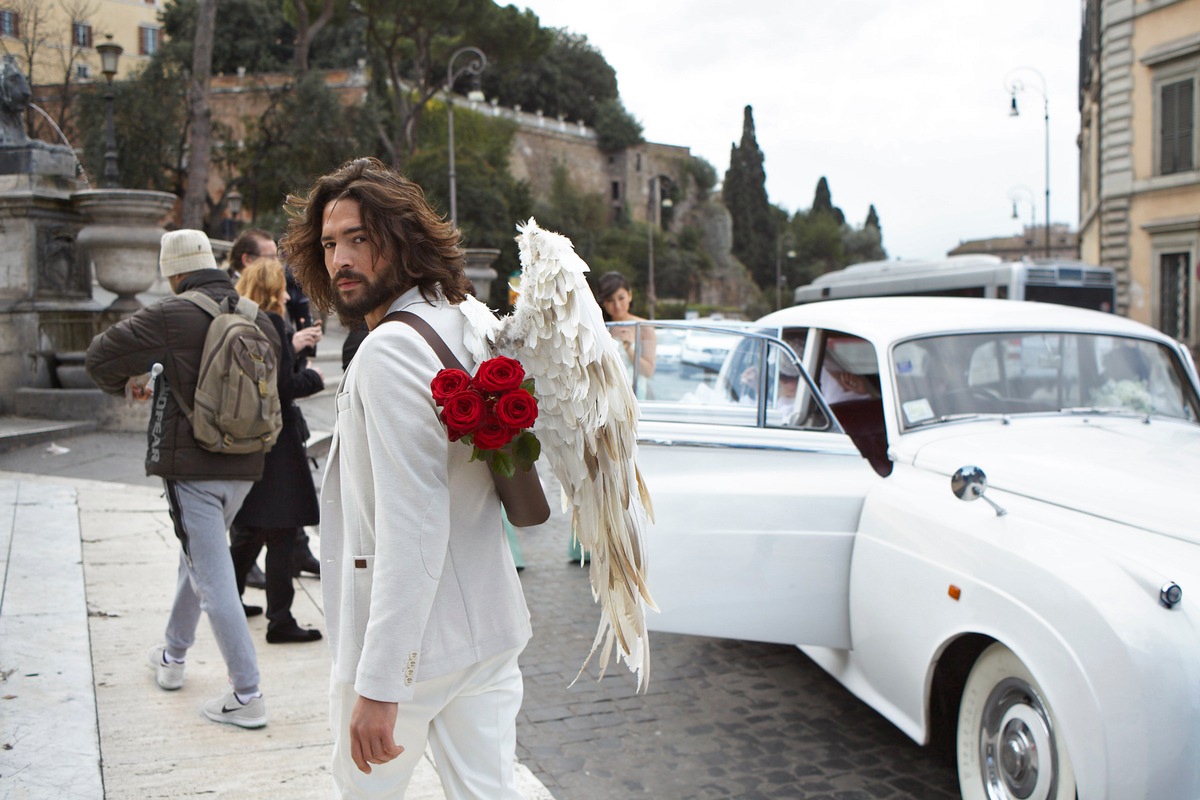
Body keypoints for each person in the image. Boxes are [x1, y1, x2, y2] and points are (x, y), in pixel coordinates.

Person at [282, 157, 532, 797]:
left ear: (402, 238)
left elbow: (413, 523)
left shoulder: (390, 348)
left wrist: (381, 684)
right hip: (489, 627)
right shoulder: (464, 316)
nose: (341, 258)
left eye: (360, 239)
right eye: (330, 243)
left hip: (416, 649)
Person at [84, 229, 281, 729]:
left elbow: (99, 357)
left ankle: (247, 693)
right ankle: (172, 655)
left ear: (173, 270)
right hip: (247, 463)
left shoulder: (170, 314)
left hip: (192, 468)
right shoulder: (256, 316)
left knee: (213, 581)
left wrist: (127, 383)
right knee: (195, 559)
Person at [228, 256, 326, 644]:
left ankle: (228, 598)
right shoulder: (273, 324)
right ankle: (280, 619)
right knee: (283, 531)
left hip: (252, 440)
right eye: (283, 287)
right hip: (279, 442)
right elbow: (284, 387)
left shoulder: (244, 322)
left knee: (250, 529)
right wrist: (314, 379)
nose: (288, 293)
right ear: (272, 290)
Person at [595, 271, 656, 383]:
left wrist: (629, 349)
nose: (617, 305)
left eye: (621, 298)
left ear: (630, 295)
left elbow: (648, 372)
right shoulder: (599, 328)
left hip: (635, 390)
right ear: (603, 302)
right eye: (610, 300)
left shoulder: (644, 327)